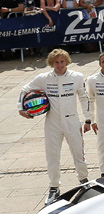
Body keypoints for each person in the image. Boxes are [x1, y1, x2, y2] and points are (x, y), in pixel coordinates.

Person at [18, 49, 90, 204]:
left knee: (78, 153)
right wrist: (21, 109)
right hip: (52, 123)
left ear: (67, 61)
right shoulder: (43, 78)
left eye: (62, 61)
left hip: (72, 121)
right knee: (52, 156)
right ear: (51, 63)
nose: (59, 65)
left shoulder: (77, 77)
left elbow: (84, 97)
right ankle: (54, 188)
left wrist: (88, 119)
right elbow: (25, 90)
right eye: (56, 62)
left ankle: (84, 182)